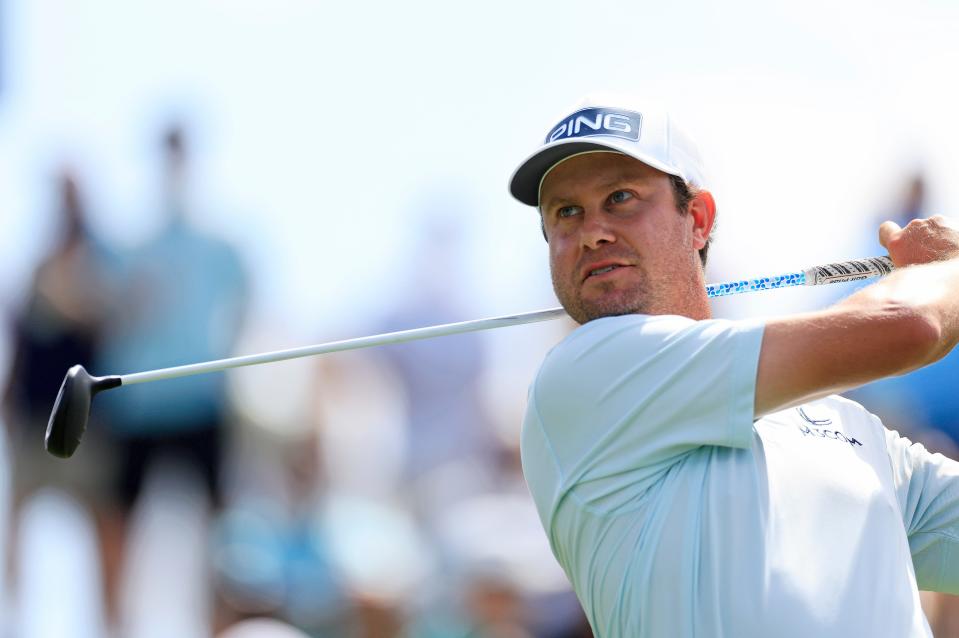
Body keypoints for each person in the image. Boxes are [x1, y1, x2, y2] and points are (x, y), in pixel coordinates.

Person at [508, 96, 959, 637]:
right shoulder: (585, 373)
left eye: (620, 197)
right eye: (566, 212)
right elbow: (910, 327)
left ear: (697, 220)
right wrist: (947, 269)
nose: (592, 231)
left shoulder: (851, 427)